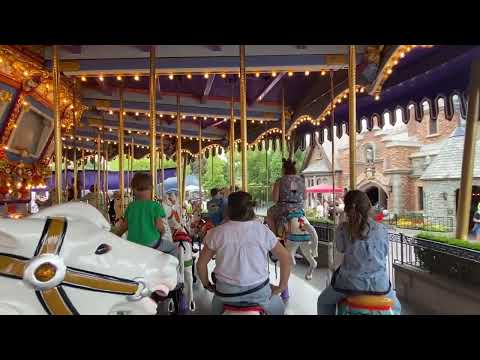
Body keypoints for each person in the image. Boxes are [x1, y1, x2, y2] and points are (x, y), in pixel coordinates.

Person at [196, 191, 291, 315]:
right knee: (279, 309)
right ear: (251, 209)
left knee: (215, 309)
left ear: (228, 209)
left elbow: (201, 265)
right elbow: (286, 258)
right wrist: (281, 286)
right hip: (258, 291)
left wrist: (207, 284)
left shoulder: (216, 232)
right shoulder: (262, 230)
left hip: (225, 293)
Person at [317, 190, 401, 315]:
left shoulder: (344, 228)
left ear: (347, 208)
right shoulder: (382, 228)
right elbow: (384, 252)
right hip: (379, 284)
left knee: (323, 302)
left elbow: (340, 248)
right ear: (368, 206)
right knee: (397, 307)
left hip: (349, 283)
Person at [113, 173, 172, 253]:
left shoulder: (130, 207)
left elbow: (123, 227)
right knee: (175, 248)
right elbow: (160, 226)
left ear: (133, 190)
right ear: (151, 188)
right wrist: (162, 233)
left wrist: (114, 237)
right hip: (152, 243)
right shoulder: (155, 206)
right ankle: (179, 265)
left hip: (133, 244)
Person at [267, 158, 306, 236]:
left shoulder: (279, 181)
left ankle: (274, 236)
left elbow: (275, 200)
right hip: (299, 208)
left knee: (270, 212)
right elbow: (305, 197)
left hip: (284, 209)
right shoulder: (301, 180)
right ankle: (302, 226)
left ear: (284, 169)